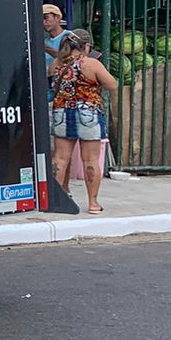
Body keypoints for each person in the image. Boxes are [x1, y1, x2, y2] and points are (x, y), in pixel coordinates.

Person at [51, 28, 118, 214]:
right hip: (88, 113)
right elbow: (112, 84)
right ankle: (93, 203)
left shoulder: (58, 63)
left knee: (60, 159)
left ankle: (56, 201)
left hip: (61, 112)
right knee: (91, 159)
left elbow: (50, 79)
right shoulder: (91, 64)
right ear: (86, 46)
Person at [40, 3, 68, 77]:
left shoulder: (69, 36)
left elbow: (68, 58)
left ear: (57, 17)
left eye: (46, 17)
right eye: (41, 19)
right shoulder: (45, 42)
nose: (43, 22)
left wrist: (46, 48)